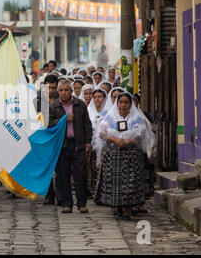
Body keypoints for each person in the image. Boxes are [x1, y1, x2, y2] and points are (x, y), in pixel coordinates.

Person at [93, 92, 154, 221]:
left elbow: (141, 133)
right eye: (121, 102)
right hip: (113, 154)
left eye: (126, 102)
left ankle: (128, 210)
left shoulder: (136, 118)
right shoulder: (110, 116)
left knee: (130, 182)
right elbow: (101, 132)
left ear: (130, 104)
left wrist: (127, 141)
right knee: (114, 182)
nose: (123, 105)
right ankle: (116, 206)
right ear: (117, 103)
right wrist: (115, 139)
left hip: (131, 155)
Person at [49, 79, 92, 214]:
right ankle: (67, 204)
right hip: (62, 145)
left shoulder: (80, 105)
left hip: (78, 144)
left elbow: (87, 125)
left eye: (66, 90)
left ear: (71, 91)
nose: (63, 93)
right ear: (58, 91)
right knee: (63, 176)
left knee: (80, 175)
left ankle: (81, 203)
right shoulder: (53, 106)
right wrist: (63, 119)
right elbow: (48, 124)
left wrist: (88, 142)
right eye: (61, 90)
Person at [86, 88, 107, 197]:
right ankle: (93, 191)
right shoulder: (89, 110)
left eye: (99, 97)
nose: (97, 99)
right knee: (93, 167)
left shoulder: (109, 111)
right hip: (93, 144)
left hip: (106, 144)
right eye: (95, 97)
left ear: (104, 98)